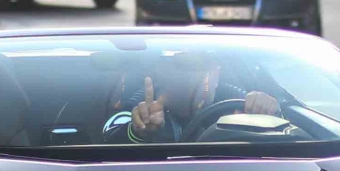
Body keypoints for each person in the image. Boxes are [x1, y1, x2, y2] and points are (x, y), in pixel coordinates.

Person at [106, 60, 279, 143]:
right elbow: (108, 140)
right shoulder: (140, 107)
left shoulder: (237, 103)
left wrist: (269, 111)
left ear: (217, 73)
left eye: (201, 66)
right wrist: (138, 132)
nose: (192, 78)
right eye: (181, 66)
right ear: (159, 72)